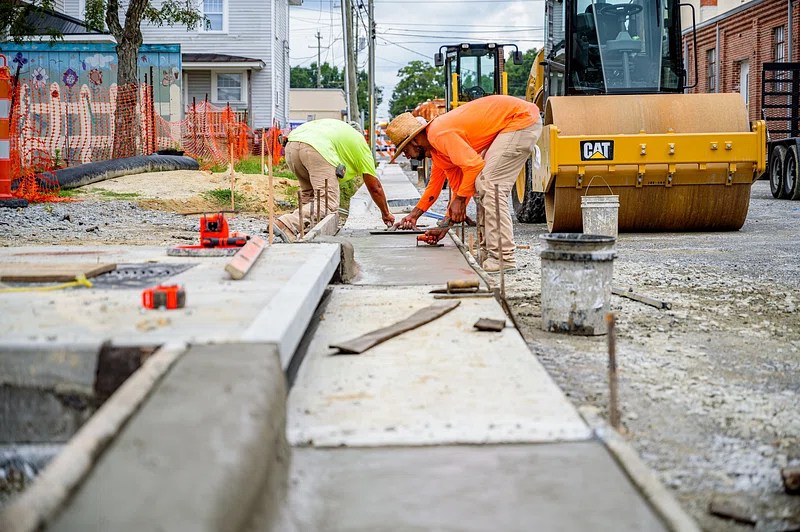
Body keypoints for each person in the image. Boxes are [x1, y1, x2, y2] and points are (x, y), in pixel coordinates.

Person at [386, 95, 542, 272]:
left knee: (490, 185)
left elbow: (473, 167)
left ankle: (503, 258)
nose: (406, 156)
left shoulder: (439, 134)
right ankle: (488, 253)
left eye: (405, 150)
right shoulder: (438, 152)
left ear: (414, 140)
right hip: (512, 123)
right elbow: (459, 188)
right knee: (480, 186)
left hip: (521, 119)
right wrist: (444, 224)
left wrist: (458, 202)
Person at [274, 119, 395, 242]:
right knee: (327, 202)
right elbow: (375, 187)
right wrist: (386, 213)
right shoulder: (359, 142)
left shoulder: (336, 129)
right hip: (315, 148)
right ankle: (286, 223)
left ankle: (304, 233)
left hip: (291, 146)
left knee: (310, 196)